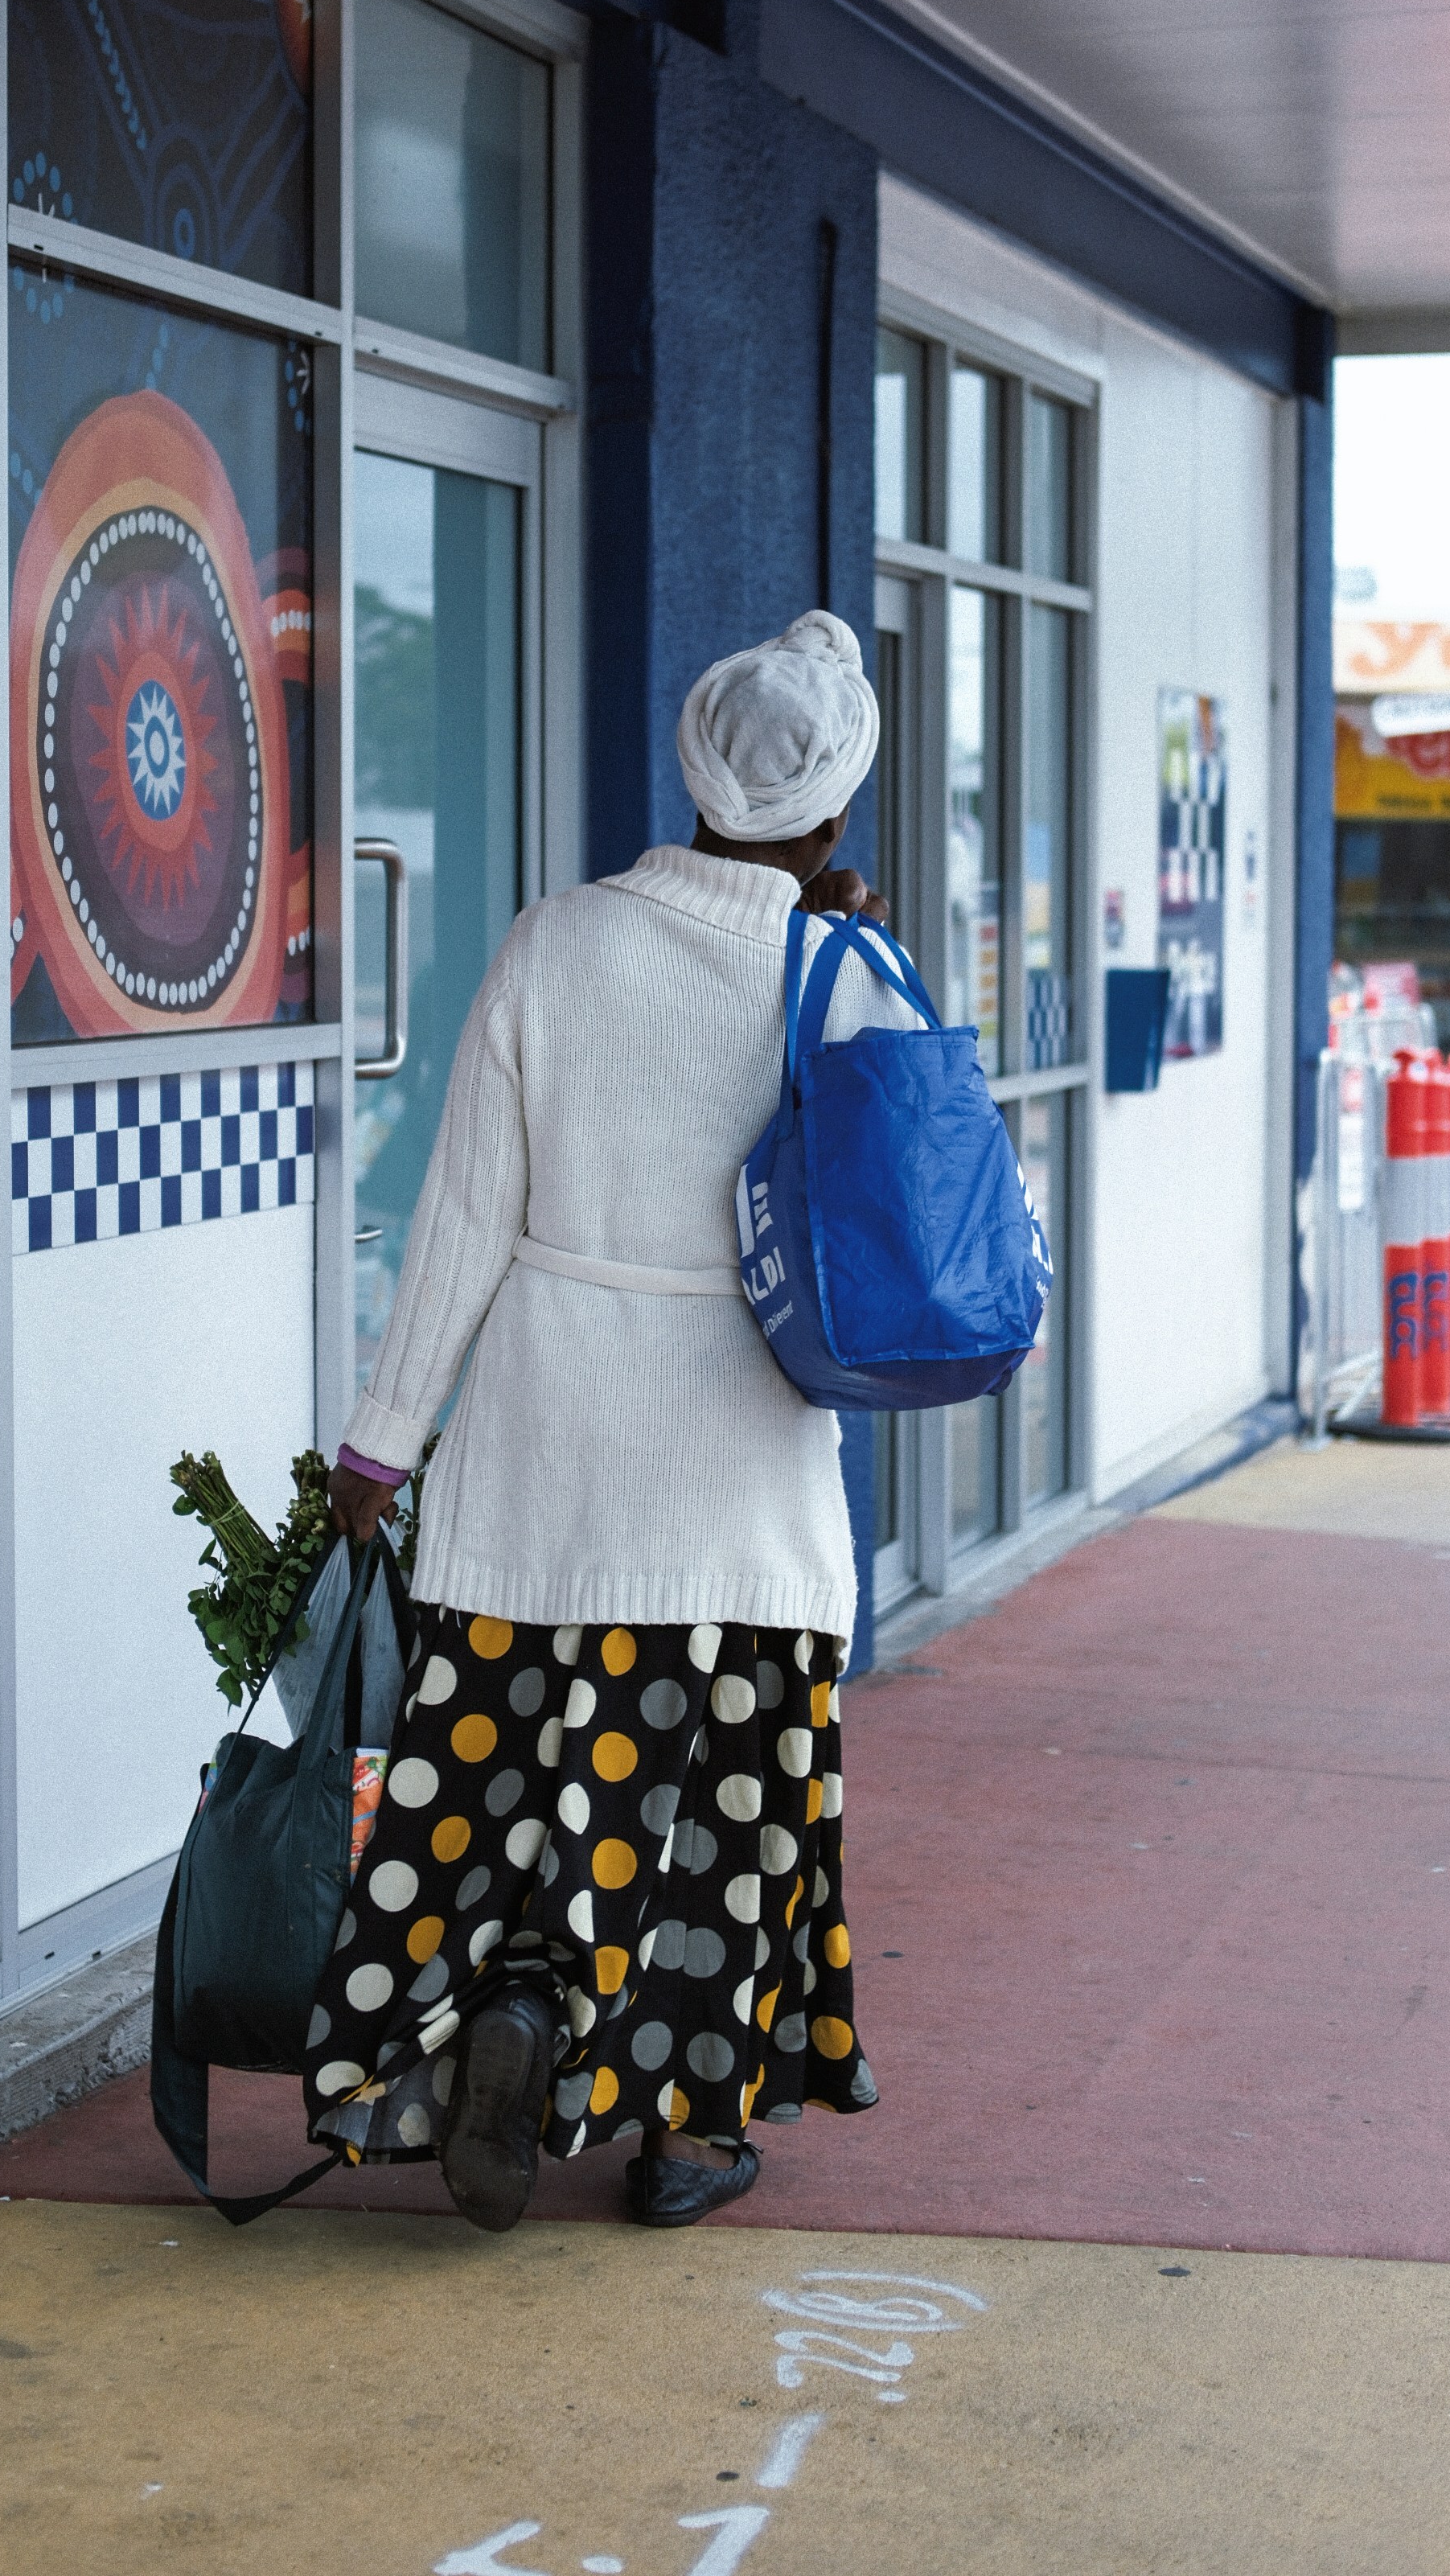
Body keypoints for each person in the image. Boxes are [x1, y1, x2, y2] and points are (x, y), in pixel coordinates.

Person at [305, 610, 922, 2231]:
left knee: (503, 1793)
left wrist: (377, 1451)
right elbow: (913, 1225)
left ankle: (501, 2026)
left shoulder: (552, 943)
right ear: (835, 816)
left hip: (535, 1477)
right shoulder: (844, 972)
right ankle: (686, 2136)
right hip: (739, 1488)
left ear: (695, 781)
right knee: (715, 1825)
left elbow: (457, 1222)